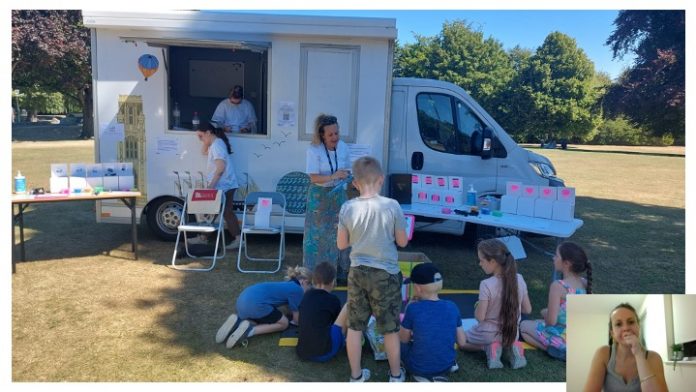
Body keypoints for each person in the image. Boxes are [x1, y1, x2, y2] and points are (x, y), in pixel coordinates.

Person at [337, 156, 409, 382]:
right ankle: (396, 375)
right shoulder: (392, 205)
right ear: (381, 179)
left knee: (355, 326)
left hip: (357, 271)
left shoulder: (347, 207)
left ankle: (356, 376)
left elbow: (341, 245)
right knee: (389, 328)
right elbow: (403, 242)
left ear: (355, 183)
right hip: (385, 274)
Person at [459, 238, 533, 369]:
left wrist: (477, 306)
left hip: (488, 334)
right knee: (505, 339)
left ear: (493, 261)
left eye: (481, 260)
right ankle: (512, 346)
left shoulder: (486, 284)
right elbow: (527, 309)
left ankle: (488, 348)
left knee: (462, 340)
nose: (479, 264)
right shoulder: (519, 278)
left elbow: (480, 317)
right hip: (512, 333)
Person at [520, 241, 592, 360]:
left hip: (561, 336)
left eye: (556, 256)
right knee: (537, 322)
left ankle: (556, 351)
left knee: (524, 326)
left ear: (566, 263)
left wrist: (545, 312)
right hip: (578, 336)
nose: (553, 258)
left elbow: (551, 322)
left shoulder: (558, 286)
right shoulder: (584, 283)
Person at [215, 266, 312, 349]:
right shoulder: (297, 290)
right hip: (256, 305)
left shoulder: (287, 285)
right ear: (304, 282)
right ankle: (249, 331)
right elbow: (296, 320)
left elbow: (289, 309)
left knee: (262, 318)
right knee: (284, 323)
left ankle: (237, 323)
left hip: (242, 301)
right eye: (309, 288)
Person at [399, 263, 466, 382]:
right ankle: (445, 367)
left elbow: (404, 339)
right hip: (446, 364)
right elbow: (462, 341)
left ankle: (421, 376)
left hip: (418, 367)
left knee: (398, 343)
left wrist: (409, 305)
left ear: (418, 288)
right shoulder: (452, 306)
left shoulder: (413, 309)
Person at [303, 114, 351, 273]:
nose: (335, 137)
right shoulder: (314, 150)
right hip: (319, 196)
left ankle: (339, 272)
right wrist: (332, 176)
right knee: (318, 236)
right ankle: (315, 273)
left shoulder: (343, 147)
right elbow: (313, 177)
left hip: (338, 195)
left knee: (339, 232)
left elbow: (347, 168)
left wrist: (348, 176)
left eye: (337, 133)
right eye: (330, 134)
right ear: (321, 134)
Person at [583, 303, 668, 392]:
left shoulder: (654, 358)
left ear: (638, 327)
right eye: (618, 324)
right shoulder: (603, 354)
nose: (626, 328)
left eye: (631, 322)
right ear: (612, 333)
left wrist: (638, 353)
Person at [194, 121, 241, 249]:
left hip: (225, 185)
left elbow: (221, 168)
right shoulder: (215, 143)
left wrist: (211, 187)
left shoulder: (217, 146)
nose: (200, 139)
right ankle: (203, 237)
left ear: (208, 133)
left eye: (201, 136)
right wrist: (205, 141)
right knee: (213, 212)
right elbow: (203, 152)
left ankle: (238, 240)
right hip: (225, 185)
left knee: (226, 212)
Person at [296, 261, 349, 362]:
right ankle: (349, 342)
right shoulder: (333, 300)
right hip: (324, 353)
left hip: (302, 352)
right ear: (333, 281)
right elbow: (338, 324)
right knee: (348, 306)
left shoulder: (306, 295)